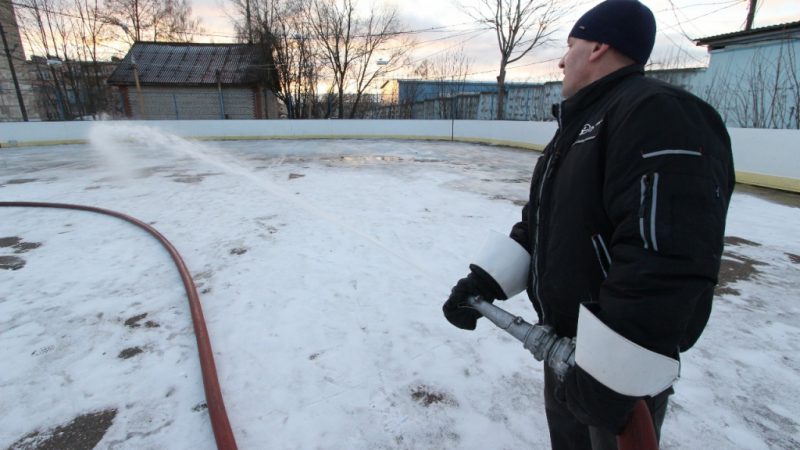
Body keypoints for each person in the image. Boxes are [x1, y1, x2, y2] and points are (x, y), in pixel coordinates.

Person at [442, 1, 735, 449]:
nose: (562, 59)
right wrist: (482, 282)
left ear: (599, 46)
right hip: (570, 356)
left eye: (570, 44)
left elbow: (666, 257)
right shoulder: (581, 127)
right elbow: (542, 225)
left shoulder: (658, 114)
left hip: (613, 371)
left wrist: (612, 376)